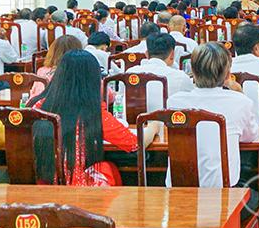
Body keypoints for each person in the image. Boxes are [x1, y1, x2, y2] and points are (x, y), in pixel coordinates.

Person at [29, 51, 162, 186]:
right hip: (79, 188)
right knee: (108, 169)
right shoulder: (92, 113)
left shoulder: (37, 106)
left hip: (38, 185)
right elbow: (135, 143)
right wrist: (154, 126)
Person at [166, 42, 259, 188]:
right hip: (223, 192)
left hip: (178, 189)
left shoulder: (174, 101)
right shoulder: (241, 102)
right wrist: (240, 93)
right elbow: (251, 137)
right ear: (228, 74)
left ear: (193, 72)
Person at [126, 33, 195, 112]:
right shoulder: (180, 77)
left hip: (133, 119)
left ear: (147, 54)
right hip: (167, 120)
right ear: (172, 55)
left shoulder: (129, 73)